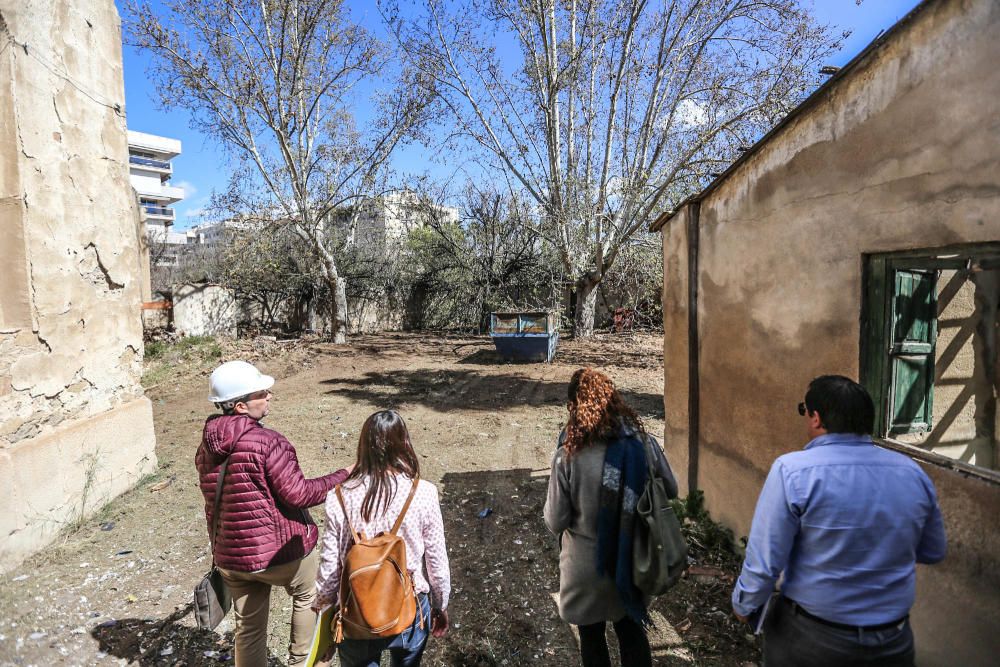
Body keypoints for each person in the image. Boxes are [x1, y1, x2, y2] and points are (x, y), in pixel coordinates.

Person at [731, 375, 947, 666]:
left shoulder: (793, 471)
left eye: (804, 411)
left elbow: (765, 561)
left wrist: (744, 605)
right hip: (893, 639)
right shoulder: (912, 472)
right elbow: (933, 551)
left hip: (813, 638)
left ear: (816, 418)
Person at [196, 360, 352, 667]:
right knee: (311, 596)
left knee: (248, 628)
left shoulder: (206, 445)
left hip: (232, 558)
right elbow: (301, 494)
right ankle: (301, 662)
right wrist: (343, 475)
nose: (269, 395)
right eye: (261, 392)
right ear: (240, 406)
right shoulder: (268, 442)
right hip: (278, 556)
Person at [543, 368, 677, 667]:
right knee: (631, 632)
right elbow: (671, 488)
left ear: (573, 406)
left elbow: (555, 520)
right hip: (633, 559)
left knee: (591, 638)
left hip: (585, 567)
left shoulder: (568, 455)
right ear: (615, 400)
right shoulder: (643, 443)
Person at [314, 410, 451, 667]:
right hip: (410, 606)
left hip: (356, 608)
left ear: (364, 445)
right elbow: (436, 560)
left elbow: (330, 566)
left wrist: (323, 611)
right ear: (404, 443)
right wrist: (440, 604)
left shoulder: (340, 496)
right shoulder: (424, 492)